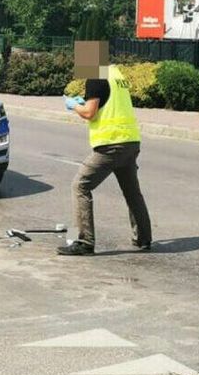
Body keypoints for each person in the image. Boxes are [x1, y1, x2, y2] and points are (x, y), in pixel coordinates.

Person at [58, 41, 152, 256]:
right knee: (132, 192)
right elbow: (107, 104)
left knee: (80, 186)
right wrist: (86, 102)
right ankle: (143, 239)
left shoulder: (96, 78)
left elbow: (90, 113)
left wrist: (74, 106)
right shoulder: (116, 74)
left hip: (110, 145)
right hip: (130, 141)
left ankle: (84, 242)